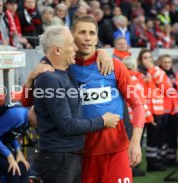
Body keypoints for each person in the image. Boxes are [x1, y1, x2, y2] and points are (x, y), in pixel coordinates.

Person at [33, 25, 120, 183]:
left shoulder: (64, 72)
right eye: (71, 44)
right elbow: (67, 125)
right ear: (58, 50)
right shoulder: (50, 79)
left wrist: (101, 51)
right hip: (58, 159)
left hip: (67, 157)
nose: (75, 48)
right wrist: (102, 121)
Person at [68, 15, 144, 183]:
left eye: (91, 33)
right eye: (82, 32)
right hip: (80, 153)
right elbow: (28, 101)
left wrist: (136, 141)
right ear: (72, 36)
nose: (87, 37)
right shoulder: (64, 67)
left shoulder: (115, 65)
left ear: (97, 38)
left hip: (116, 150)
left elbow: (137, 104)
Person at [137, 48, 170, 171]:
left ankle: (153, 164)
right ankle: (135, 166)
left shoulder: (157, 71)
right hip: (141, 111)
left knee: (154, 139)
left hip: (156, 111)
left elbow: (167, 88)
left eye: (150, 58)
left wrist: (152, 69)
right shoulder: (137, 72)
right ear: (140, 60)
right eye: (145, 58)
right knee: (138, 140)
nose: (148, 60)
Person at [157, 54, 178, 167]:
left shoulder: (173, 75)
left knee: (173, 136)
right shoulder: (158, 75)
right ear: (160, 63)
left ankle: (172, 158)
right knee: (163, 137)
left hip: (173, 110)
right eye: (165, 62)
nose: (167, 64)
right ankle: (162, 159)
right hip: (163, 110)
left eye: (169, 62)